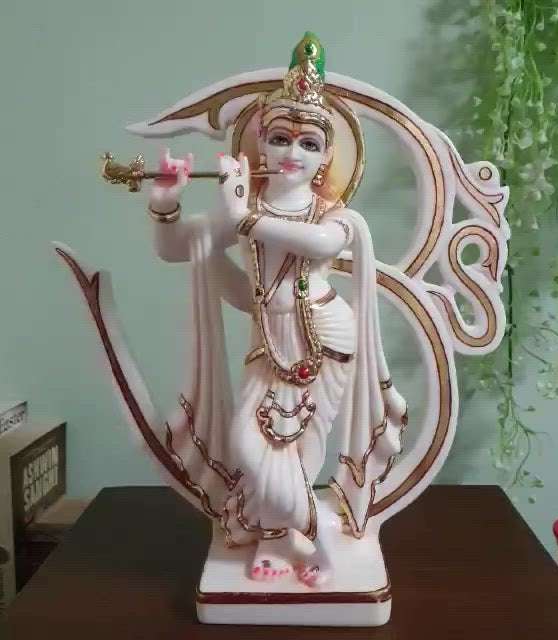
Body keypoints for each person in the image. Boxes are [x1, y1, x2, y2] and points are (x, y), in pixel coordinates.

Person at [146, 33, 407, 587]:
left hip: (325, 337)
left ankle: (287, 539)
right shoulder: (246, 205)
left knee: (302, 449)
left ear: (327, 156)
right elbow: (179, 250)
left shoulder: (332, 213)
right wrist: (166, 204)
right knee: (251, 444)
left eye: (309, 143)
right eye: (281, 138)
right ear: (259, 145)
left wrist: (242, 219)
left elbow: (322, 245)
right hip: (268, 340)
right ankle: (305, 535)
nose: (293, 153)